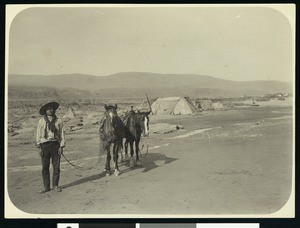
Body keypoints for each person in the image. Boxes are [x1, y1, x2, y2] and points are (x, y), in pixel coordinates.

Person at [35, 101, 65, 193]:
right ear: (45, 111)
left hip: (55, 145)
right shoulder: (41, 121)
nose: (50, 110)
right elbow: (38, 135)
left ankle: (55, 186)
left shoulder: (58, 121)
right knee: (45, 168)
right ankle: (46, 187)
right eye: (48, 109)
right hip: (45, 146)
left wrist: (61, 146)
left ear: (54, 110)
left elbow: (62, 134)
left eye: (51, 108)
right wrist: (39, 147)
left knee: (56, 167)